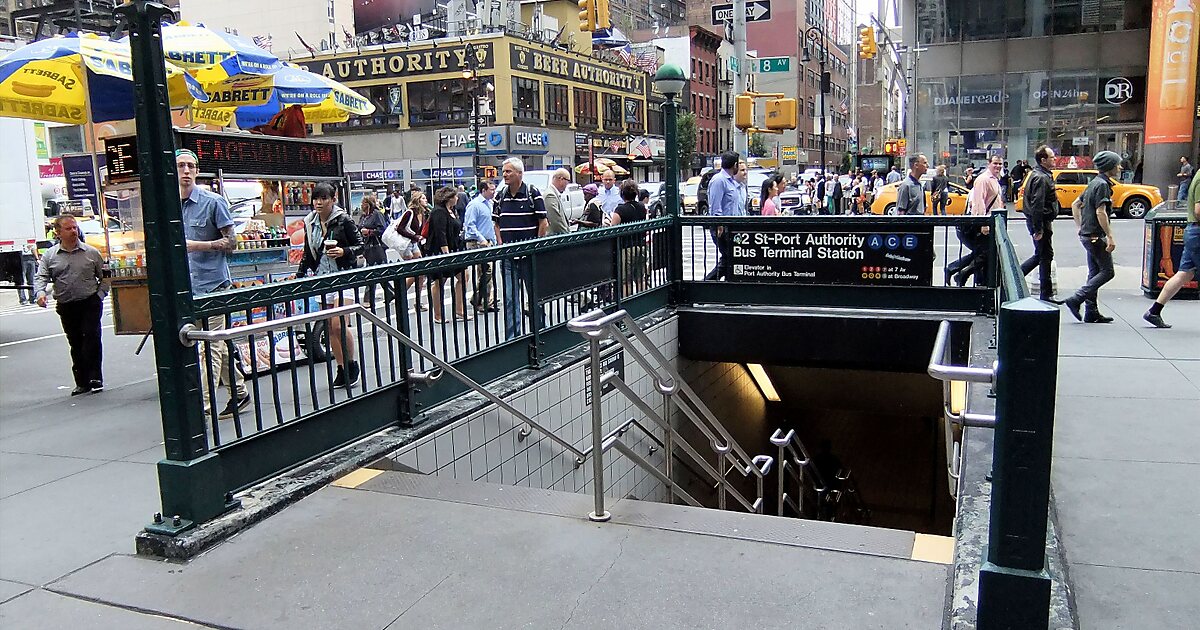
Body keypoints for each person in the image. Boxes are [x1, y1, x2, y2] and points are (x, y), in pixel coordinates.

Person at [176, 148, 249, 418]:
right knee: (216, 344)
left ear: (196, 171)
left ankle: (202, 407)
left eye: (190, 166)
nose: (186, 171)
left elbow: (232, 243)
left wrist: (198, 245)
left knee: (208, 348)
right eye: (181, 166)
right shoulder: (169, 204)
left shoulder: (212, 201)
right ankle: (240, 392)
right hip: (187, 288)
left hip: (214, 285)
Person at [33, 215, 107, 396]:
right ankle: (82, 381)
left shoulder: (91, 252)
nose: (74, 231)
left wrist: (100, 295)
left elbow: (105, 275)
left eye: (75, 228)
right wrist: (41, 293)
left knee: (91, 337)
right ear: (58, 233)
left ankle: (95, 377)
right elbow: (41, 276)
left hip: (89, 301)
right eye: (68, 229)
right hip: (67, 305)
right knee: (75, 342)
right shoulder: (50, 256)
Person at [298, 182, 363, 386]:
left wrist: (344, 251)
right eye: (316, 198)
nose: (319, 202)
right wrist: (300, 274)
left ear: (333, 200)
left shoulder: (344, 220)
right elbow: (308, 252)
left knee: (338, 323)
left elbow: (361, 246)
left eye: (323, 198)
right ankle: (341, 367)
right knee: (329, 326)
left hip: (344, 275)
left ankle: (351, 364)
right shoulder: (310, 222)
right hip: (323, 276)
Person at [1061, 151, 1120, 323]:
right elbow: (1101, 211)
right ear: (1109, 166)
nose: (1120, 167)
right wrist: (1110, 236)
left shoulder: (1094, 182)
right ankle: (1076, 298)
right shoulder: (1101, 185)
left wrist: (1080, 227)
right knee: (1107, 272)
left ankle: (1091, 310)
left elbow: (1075, 204)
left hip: (1087, 234)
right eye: (1117, 164)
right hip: (1095, 235)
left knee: (1094, 272)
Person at [492, 157, 547, 339]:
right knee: (510, 299)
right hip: (508, 256)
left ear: (519, 173)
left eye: (508, 171)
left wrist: (536, 246)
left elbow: (543, 222)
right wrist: (500, 244)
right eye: (504, 171)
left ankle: (539, 334)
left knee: (534, 297)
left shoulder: (532, 193)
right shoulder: (500, 196)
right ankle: (512, 339)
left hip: (528, 256)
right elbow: (496, 223)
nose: (504, 174)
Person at [1145, 169, 1199, 328]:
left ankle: (1154, 311)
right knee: (1184, 274)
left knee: (1185, 274)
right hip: (1198, 231)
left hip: (1193, 231)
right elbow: (1198, 211)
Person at [946, 155, 1003, 285]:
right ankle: (962, 274)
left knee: (983, 253)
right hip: (983, 223)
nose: (998, 166)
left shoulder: (994, 179)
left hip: (990, 222)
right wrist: (983, 223)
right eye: (995, 163)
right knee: (985, 253)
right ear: (989, 164)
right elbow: (978, 203)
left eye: (1000, 164)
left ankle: (955, 270)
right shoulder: (983, 180)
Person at [1020, 146, 1060, 302]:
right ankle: (1046, 293)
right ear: (1043, 160)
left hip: (1042, 222)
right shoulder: (1041, 177)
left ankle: (1046, 292)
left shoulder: (1041, 175)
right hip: (1041, 222)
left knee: (1043, 255)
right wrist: (1038, 229)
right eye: (1052, 157)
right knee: (1044, 255)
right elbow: (1037, 204)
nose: (1054, 159)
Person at [426, 186, 470, 324]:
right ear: (449, 198)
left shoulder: (452, 210)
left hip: (455, 249)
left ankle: (459, 310)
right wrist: (446, 253)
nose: (458, 198)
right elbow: (441, 234)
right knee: (440, 281)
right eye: (455, 196)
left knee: (464, 276)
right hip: (442, 251)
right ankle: (438, 314)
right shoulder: (438, 212)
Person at [382, 192, 429, 312]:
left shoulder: (422, 214)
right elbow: (400, 228)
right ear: (417, 200)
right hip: (406, 244)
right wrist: (414, 236)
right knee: (414, 272)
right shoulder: (410, 212)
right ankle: (399, 294)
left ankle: (417, 301)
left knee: (421, 272)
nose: (426, 200)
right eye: (423, 198)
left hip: (413, 244)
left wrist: (419, 237)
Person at [463, 179, 499, 313]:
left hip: (488, 241)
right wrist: (482, 239)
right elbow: (470, 225)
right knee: (485, 271)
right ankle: (480, 300)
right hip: (477, 243)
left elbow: (490, 224)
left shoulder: (490, 204)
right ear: (483, 190)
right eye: (491, 189)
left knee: (487, 272)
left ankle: (483, 301)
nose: (493, 192)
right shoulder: (475, 205)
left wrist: (493, 240)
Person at [704, 152, 742, 280]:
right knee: (728, 257)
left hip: (731, 228)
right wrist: (719, 224)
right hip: (722, 228)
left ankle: (725, 286)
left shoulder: (731, 181)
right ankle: (706, 285)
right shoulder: (719, 180)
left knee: (730, 258)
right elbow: (715, 205)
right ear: (735, 165)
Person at [610, 179, 647, 294]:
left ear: (622, 193)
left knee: (626, 281)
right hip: (641, 245)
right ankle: (643, 302)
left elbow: (613, 227)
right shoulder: (641, 207)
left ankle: (628, 305)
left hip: (627, 248)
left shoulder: (620, 209)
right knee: (640, 278)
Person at [357, 195, 391, 307]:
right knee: (379, 273)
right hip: (367, 247)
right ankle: (390, 293)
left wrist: (370, 231)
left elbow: (383, 229)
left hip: (376, 247)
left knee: (373, 272)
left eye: (364, 203)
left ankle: (369, 299)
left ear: (369, 204)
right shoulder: (363, 216)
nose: (362, 205)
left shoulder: (376, 214)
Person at [543, 168, 572, 235]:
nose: (567, 184)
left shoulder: (553, 193)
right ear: (561, 179)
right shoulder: (550, 195)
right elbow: (556, 221)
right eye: (568, 181)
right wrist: (567, 236)